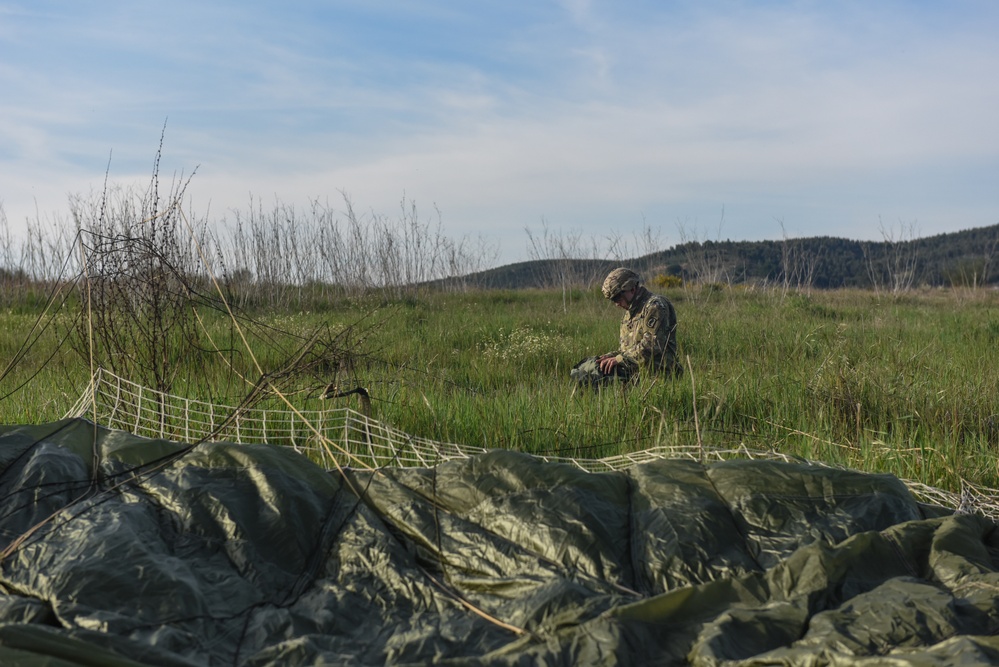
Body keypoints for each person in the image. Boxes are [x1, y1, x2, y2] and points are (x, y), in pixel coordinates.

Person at [570, 267, 681, 386]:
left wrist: (618, 359)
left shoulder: (655, 306)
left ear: (632, 288)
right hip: (635, 375)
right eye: (613, 300)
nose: (617, 304)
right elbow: (627, 351)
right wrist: (609, 357)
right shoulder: (628, 315)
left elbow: (653, 345)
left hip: (658, 378)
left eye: (617, 297)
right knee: (588, 373)